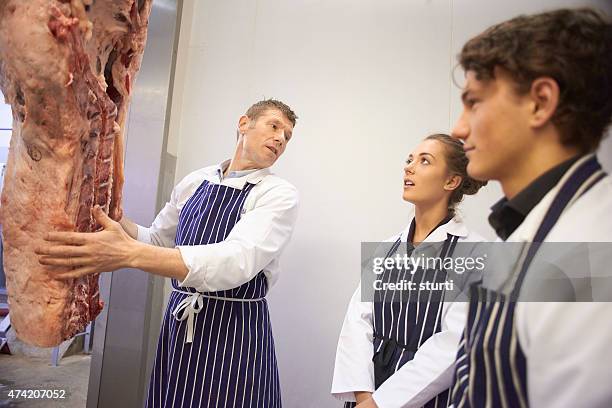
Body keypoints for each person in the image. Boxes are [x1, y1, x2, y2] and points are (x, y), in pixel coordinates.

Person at [36, 98, 299, 407]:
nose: (280, 138)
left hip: (236, 329)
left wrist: (129, 254)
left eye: (288, 136)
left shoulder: (277, 194)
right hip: (180, 323)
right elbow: (158, 240)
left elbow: (234, 263)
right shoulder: (195, 182)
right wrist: (117, 220)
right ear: (244, 123)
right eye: (274, 126)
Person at [448, 8, 612, 408]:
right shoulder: (533, 227)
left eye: (473, 102)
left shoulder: (590, 253)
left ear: (540, 102)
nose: (458, 128)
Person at [332, 134, 486, 408]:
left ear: (451, 181)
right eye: (409, 159)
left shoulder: (473, 252)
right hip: (367, 388)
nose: (409, 167)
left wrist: (382, 403)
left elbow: (453, 344)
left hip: (422, 397)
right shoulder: (388, 247)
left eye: (425, 161)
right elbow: (357, 321)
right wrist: (363, 394)